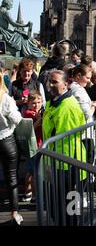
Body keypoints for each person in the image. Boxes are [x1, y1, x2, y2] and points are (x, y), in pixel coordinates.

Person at [42, 70, 86, 226]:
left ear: (65, 84)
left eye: (55, 82)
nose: (50, 84)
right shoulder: (53, 102)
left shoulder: (68, 106)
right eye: (50, 81)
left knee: (70, 210)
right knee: (57, 207)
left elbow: (67, 139)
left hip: (68, 164)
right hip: (55, 161)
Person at [0, 70, 23, 225]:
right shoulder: (5, 99)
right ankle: (14, 213)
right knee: (11, 177)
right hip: (6, 139)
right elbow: (17, 119)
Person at [22, 91, 44, 203]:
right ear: (29, 104)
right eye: (34, 103)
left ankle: (28, 193)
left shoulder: (38, 112)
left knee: (31, 170)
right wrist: (40, 119)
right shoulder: (28, 113)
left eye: (39, 102)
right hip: (33, 146)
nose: (37, 105)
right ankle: (34, 195)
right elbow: (30, 129)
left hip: (39, 143)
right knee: (35, 171)